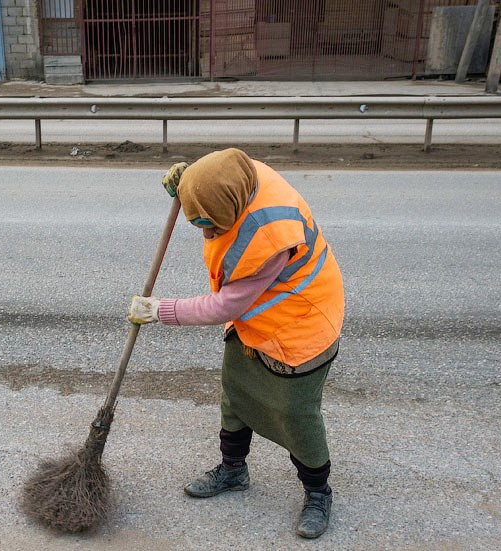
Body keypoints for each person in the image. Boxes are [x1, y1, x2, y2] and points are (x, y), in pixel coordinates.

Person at [128, 148, 344, 539]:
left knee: (296, 414)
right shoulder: (237, 179)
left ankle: (317, 493)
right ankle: (233, 470)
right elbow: (213, 178)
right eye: (201, 226)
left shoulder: (269, 237)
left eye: (212, 227)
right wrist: (189, 181)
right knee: (236, 393)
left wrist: (160, 310)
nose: (208, 235)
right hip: (255, 321)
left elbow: (226, 303)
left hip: (300, 325)